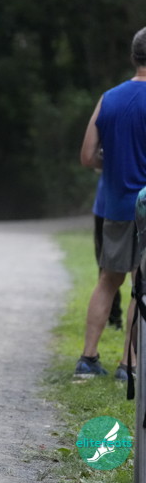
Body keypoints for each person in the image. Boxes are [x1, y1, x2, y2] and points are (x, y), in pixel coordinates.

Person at [73, 28, 146, 380]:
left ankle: (88, 359)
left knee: (108, 280)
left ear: (133, 57)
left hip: (116, 205)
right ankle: (128, 364)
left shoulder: (109, 98)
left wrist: (114, 162)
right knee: (141, 284)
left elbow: (88, 156)